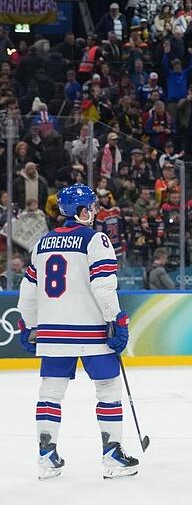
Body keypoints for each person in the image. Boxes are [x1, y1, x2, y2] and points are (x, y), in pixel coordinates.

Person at [17, 184, 137, 480]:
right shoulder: (96, 239)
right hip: (91, 332)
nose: (95, 211)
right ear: (82, 211)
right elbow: (103, 286)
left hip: (52, 332)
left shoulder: (42, 243)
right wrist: (116, 319)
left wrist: (29, 325)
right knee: (108, 388)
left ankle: (46, 458)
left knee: (50, 392)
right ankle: (112, 455)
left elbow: (28, 290)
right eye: (92, 206)